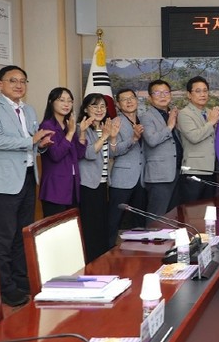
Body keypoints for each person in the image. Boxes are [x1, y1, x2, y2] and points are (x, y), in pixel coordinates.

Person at [0, 66, 53, 306]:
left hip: (28, 176)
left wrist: (40, 144)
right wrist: (31, 140)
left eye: (23, 81)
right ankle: (6, 287)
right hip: (5, 181)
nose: (19, 85)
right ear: (0, 84)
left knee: (23, 232)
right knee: (5, 235)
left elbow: (31, 143)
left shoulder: (28, 109)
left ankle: (22, 280)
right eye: (13, 80)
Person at [38, 88, 88, 217]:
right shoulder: (47, 125)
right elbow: (56, 155)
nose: (66, 104)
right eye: (62, 100)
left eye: (70, 101)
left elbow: (79, 154)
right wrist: (71, 133)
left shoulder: (68, 125)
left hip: (72, 186)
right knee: (56, 227)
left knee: (71, 226)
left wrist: (82, 132)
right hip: (55, 188)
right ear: (51, 102)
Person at [77, 93, 115, 262]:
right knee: (91, 228)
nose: (99, 110)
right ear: (86, 109)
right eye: (94, 106)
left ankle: (102, 262)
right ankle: (92, 263)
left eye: (102, 106)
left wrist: (113, 137)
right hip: (88, 185)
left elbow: (112, 154)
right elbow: (89, 154)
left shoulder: (105, 127)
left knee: (101, 227)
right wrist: (105, 137)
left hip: (102, 184)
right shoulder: (81, 128)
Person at [107, 88, 146, 247]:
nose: (129, 101)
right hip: (122, 178)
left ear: (137, 100)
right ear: (118, 104)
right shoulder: (116, 122)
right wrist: (133, 139)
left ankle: (139, 251)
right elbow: (112, 151)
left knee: (138, 220)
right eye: (124, 99)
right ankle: (108, 251)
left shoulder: (143, 119)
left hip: (142, 177)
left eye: (131, 98)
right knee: (114, 219)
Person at [177, 76, 219, 203]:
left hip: (211, 169)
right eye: (198, 91)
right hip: (193, 170)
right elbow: (194, 137)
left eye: (205, 90)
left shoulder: (209, 112)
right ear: (189, 95)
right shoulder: (184, 113)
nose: (203, 94)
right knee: (193, 209)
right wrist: (212, 122)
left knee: (209, 208)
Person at [142, 79, 181, 216]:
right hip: (159, 175)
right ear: (150, 97)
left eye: (166, 92)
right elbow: (152, 140)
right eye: (157, 93)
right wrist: (169, 126)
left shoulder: (173, 114)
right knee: (156, 216)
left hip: (177, 172)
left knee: (173, 216)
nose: (163, 96)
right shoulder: (147, 116)